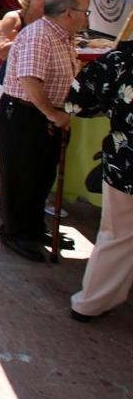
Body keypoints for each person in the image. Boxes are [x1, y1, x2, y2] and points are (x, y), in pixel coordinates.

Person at [0, 0, 87, 262]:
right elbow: (29, 80)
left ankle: (34, 227)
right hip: (26, 115)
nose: (86, 18)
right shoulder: (39, 35)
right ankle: (16, 231)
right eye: (84, 12)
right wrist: (51, 113)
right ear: (68, 13)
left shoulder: (61, 35)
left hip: (43, 116)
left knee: (41, 176)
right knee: (22, 176)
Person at [64, 39, 133, 322]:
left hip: (125, 163)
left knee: (117, 236)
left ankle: (90, 303)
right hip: (125, 164)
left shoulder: (120, 59)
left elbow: (77, 101)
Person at [0, 0, 61, 207]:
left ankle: (38, 194)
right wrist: (32, 39)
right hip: (9, 86)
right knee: (6, 138)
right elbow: (3, 51)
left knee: (40, 144)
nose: (48, 3)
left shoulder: (57, 19)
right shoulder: (14, 18)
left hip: (43, 87)